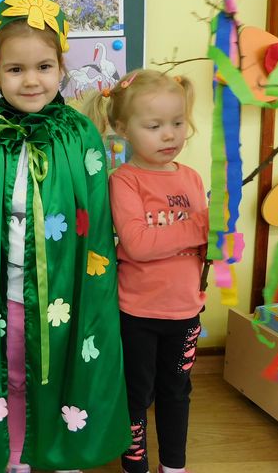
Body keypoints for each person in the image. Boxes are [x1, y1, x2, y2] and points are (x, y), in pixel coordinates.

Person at [0, 0, 130, 473]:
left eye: (44, 67)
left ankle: (63, 448)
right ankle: (15, 451)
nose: (31, 80)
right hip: (3, 290)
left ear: (61, 68)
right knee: (12, 369)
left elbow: (94, 219)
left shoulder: (79, 134)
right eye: (15, 69)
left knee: (60, 364)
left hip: (65, 287)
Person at [84, 69, 208, 473]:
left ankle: (174, 466)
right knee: (137, 395)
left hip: (186, 310)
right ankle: (134, 465)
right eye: (154, 126)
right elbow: (137, 243)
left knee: (177, 391)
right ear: (123, 129)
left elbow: (203, 244)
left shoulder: (191, 178)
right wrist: (199, 227)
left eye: (177, 123)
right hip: (138, 313)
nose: (169, 135)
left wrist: (220, 236)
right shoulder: (124, 181)